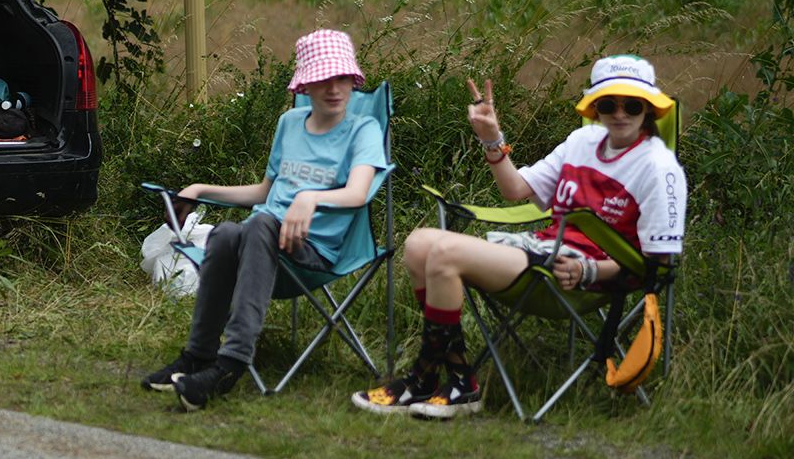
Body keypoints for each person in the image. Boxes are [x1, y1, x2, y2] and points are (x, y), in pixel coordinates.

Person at [352, 54, 686, 419]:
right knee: (418, 245)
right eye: (608, 104)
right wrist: (491, 138)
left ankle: (429, 380)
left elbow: (655, 266)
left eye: (633, 105)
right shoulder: (582, 141)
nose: (620, 113)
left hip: (577, 278)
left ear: (650, 110)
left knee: (445, 251)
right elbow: (515, 189)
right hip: (542, 251)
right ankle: (454, 379)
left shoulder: (658, 168)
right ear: (595, 107)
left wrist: (590, 270)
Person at [143, 29, 389, 411]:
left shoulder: (362, 129)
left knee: (257, 225)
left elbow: (358, 192)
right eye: (324, 79)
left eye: (341, 77)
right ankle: (199, 356)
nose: (334, 88)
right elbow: (263, 193)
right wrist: (199, 188)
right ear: (305, 84)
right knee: (225, 233)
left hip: (315, 251)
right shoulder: (290, 123)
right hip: (263, 242)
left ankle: (232, 363)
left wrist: (310, 199)